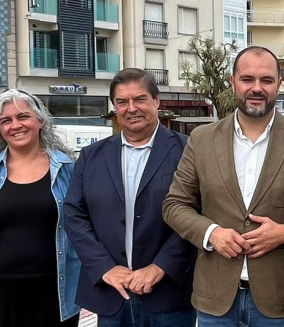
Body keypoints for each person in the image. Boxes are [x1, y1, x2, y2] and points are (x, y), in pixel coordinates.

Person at [162, 46, 284, 326]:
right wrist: (211, 233)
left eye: (266, 80)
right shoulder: (202, 139)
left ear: (279, 84)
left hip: (281, 300)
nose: (257, 88)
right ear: (233, 82)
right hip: (216, 300)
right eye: (248, 79)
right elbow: (174, 205)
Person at [64, 68, 196, 326]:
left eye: (140, 99)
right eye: (122, 102)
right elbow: (73, 215)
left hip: (169, 294)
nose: (131, 108)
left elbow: (199, 212)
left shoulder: (189, 150)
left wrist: (161, 266)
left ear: (157, 101)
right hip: (112, 293)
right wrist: (104, 267)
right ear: (115, 107)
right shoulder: (92, 156)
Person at [0, 89, 81, 326]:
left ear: (40, 121)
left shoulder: (68, 169)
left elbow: (82, 226)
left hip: (56, 292)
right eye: (6, 120)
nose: (15, 125)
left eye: (23, 116)